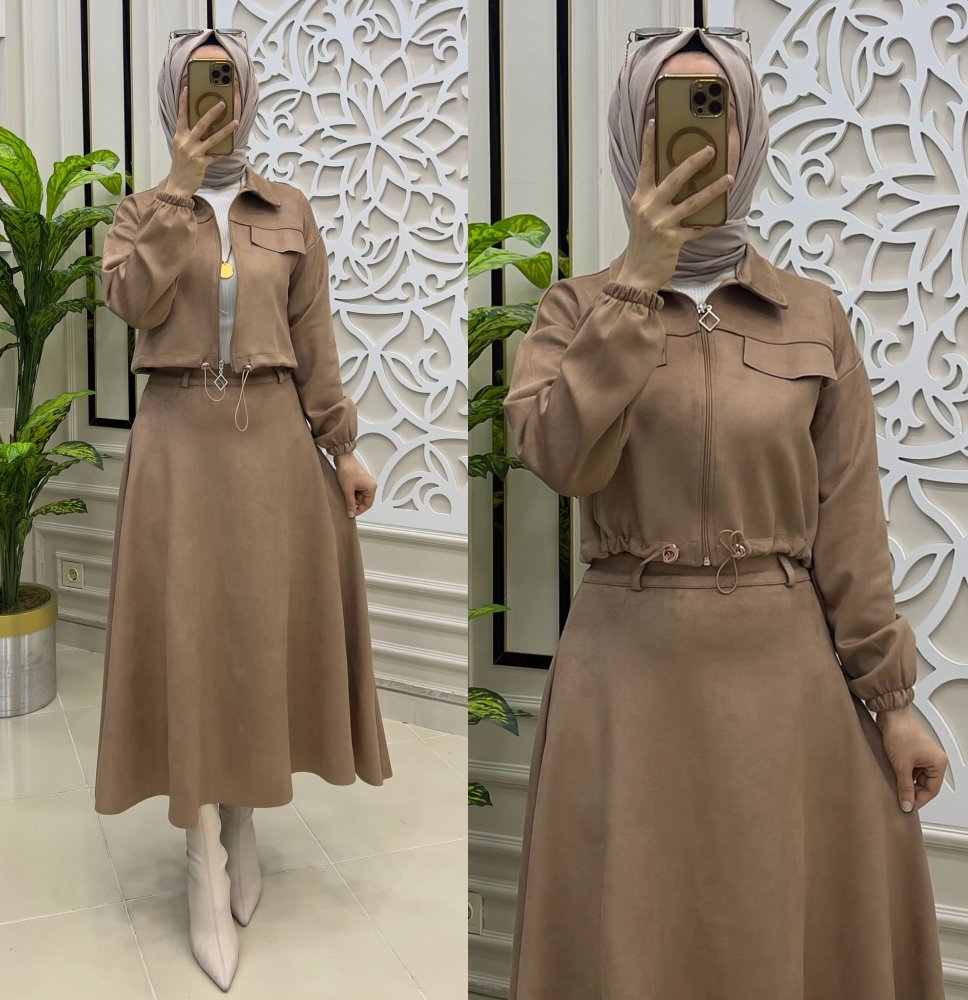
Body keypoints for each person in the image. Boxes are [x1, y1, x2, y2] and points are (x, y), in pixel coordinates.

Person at [502, 26, 948, 999]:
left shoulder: (812, 317)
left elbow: (851, 528)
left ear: (750, 135)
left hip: (782, 685)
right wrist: (637, 278)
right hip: (625, 681)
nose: (700, 134)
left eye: (720, 109)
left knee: (768, 935)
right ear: (631, 132)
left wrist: (894, 703)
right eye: (669, 111)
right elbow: (560, 458)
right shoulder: (574, 310)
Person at [93, 28, 393, 991]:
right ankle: (201, 853)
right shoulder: (138, 212)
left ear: (247, 93)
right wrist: (177, 190)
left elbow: (315, 340)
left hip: (271, 441)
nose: (212, 98)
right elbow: (130, 302)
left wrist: (342, 446)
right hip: (176, 441)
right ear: (172, 97)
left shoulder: (288, 210)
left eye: (224, 82)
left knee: (252, 636)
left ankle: (244, 814)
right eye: (196, 83)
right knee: (192, 636)